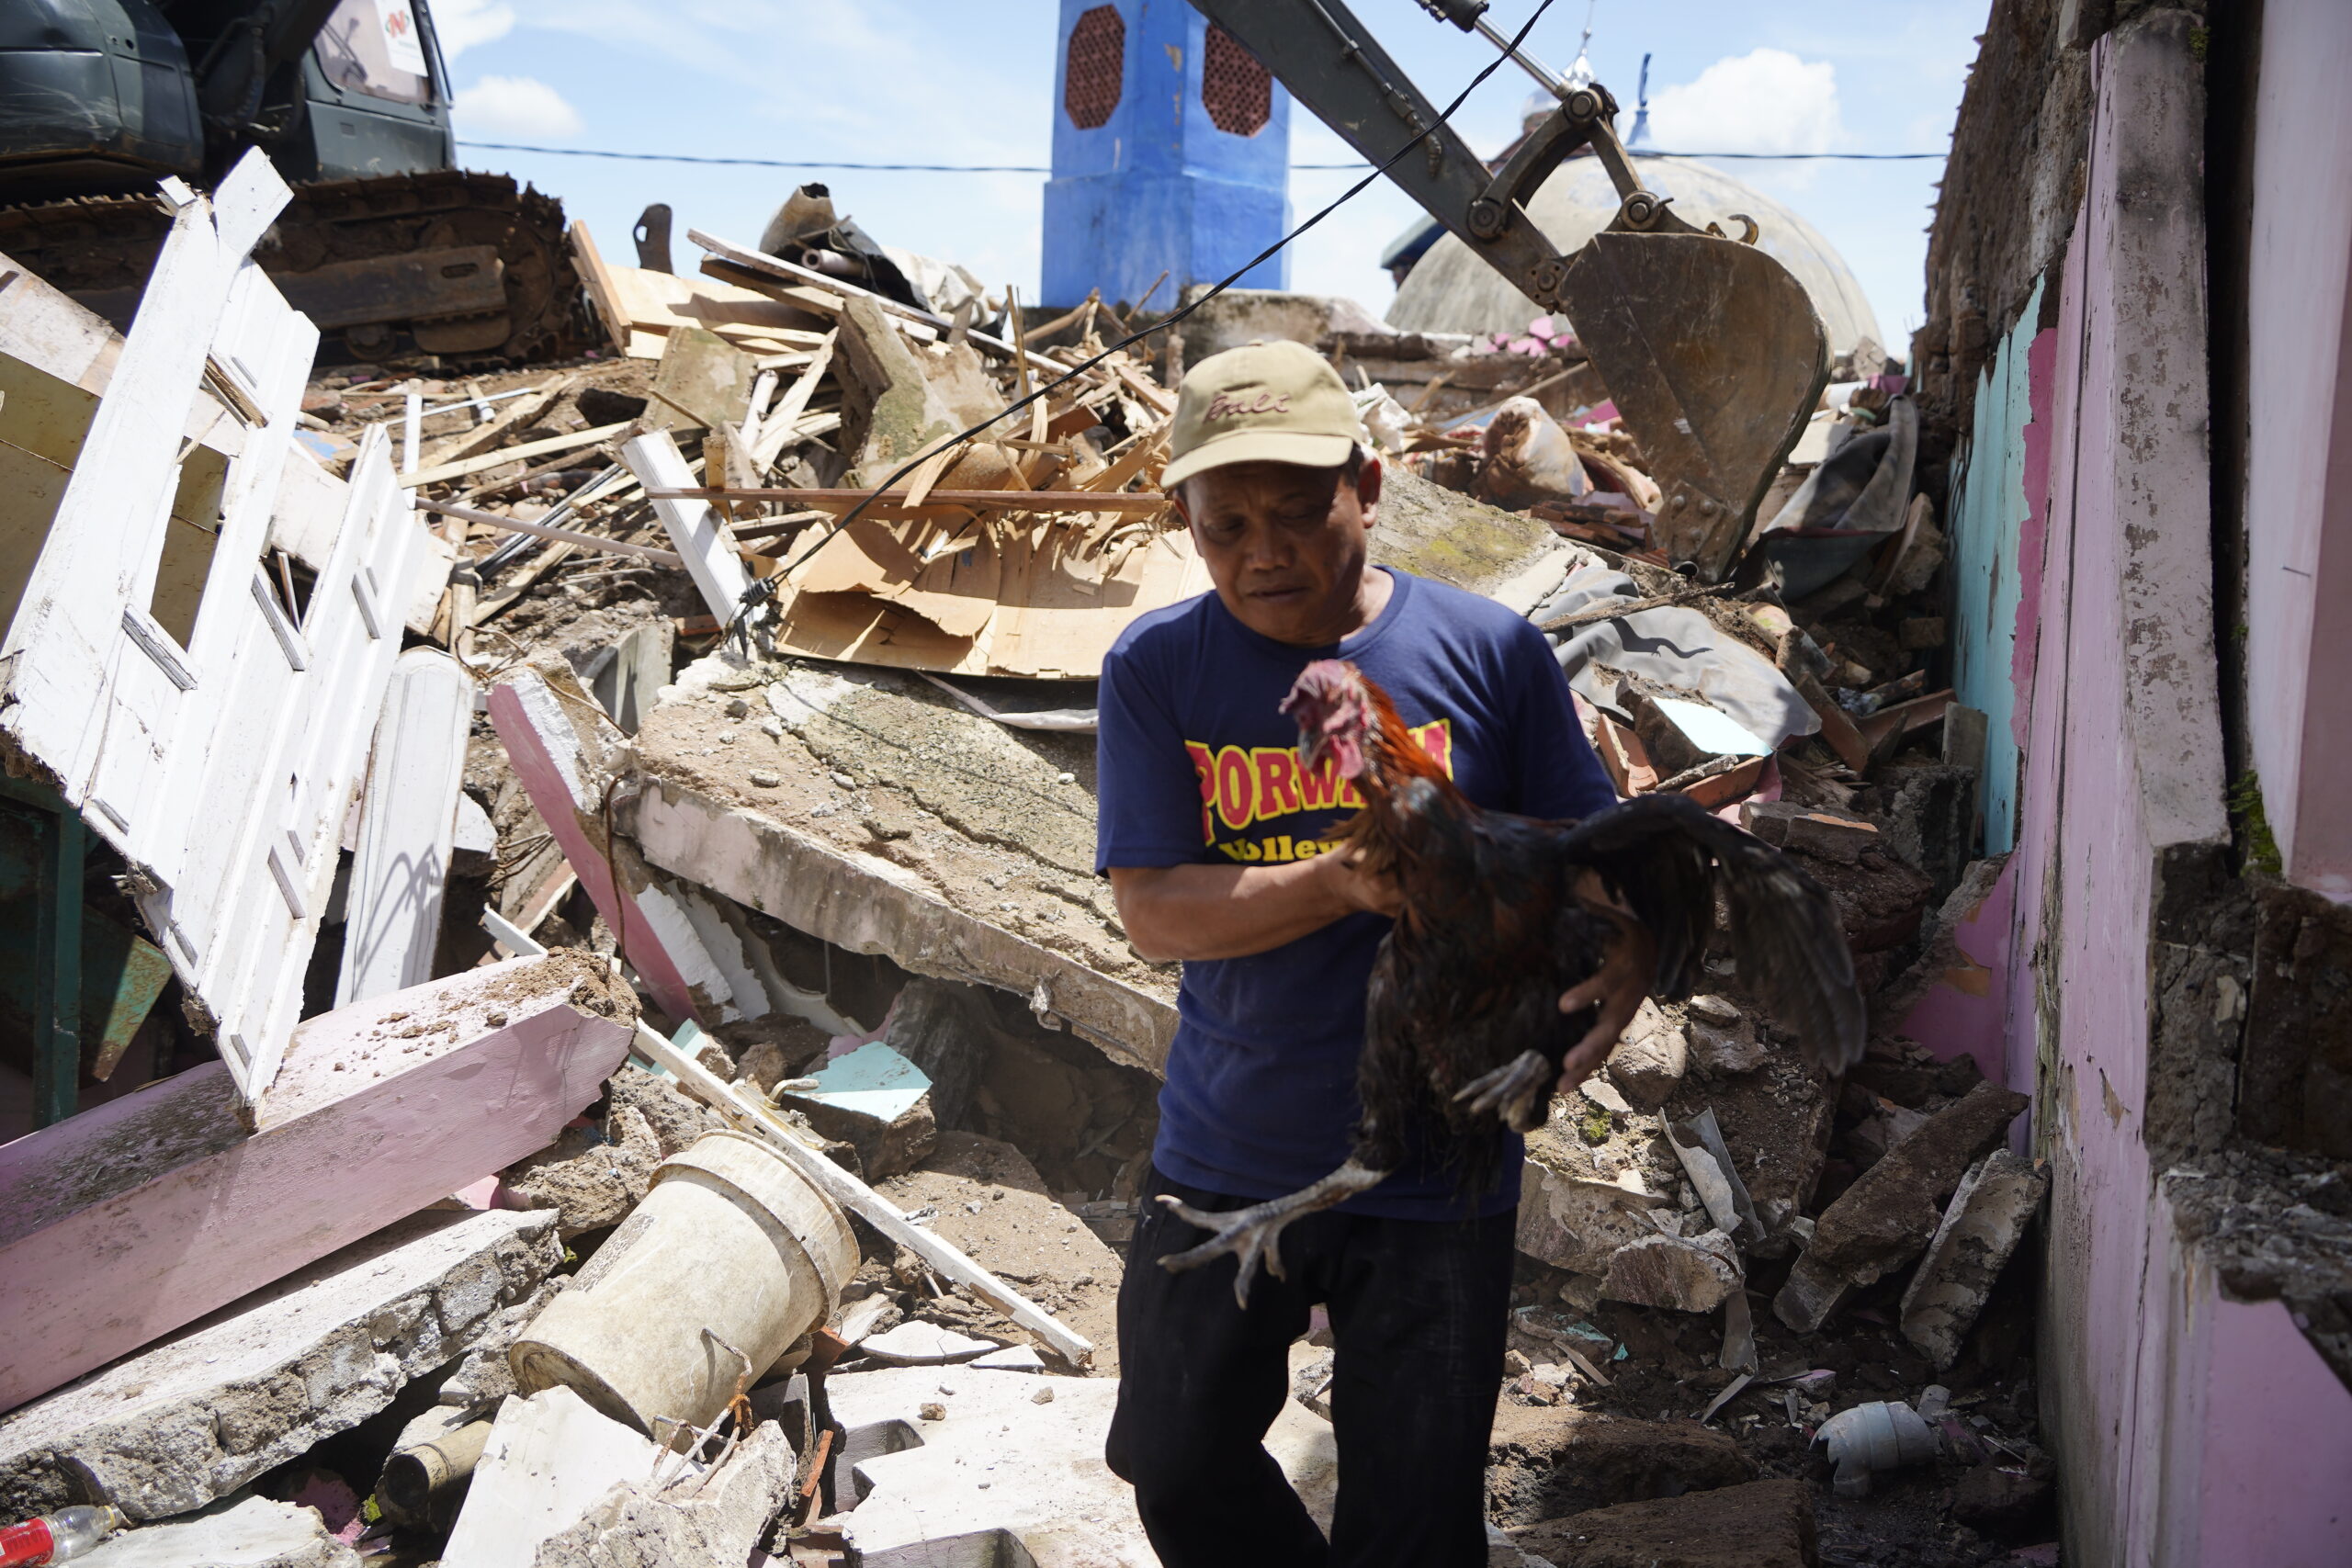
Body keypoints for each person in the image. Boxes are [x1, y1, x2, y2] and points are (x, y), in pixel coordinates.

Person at [1095, 340, 1652, 1567]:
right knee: (1174, 1456)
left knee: (1415, 1526)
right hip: (1231, 1140)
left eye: (1296, 513)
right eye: (1223, 522)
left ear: (1370, 483)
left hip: (1436, 1162)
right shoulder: (1157, 669)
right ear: (1185, 521)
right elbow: (1155, 912)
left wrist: (1628, 953)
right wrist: (1341, 882)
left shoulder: (1490, 651)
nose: (1262, 550)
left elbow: (1587, 856)